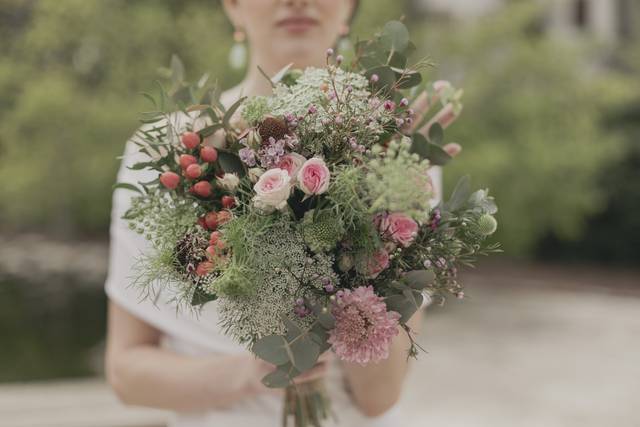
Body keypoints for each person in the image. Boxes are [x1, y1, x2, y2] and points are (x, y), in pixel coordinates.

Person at [104, 1, 458, 426]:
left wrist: (378, 209)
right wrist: (255, 373)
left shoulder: (394, 154)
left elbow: (379, 396)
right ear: (233, 7)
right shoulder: (172, 148)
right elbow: (126, 372)